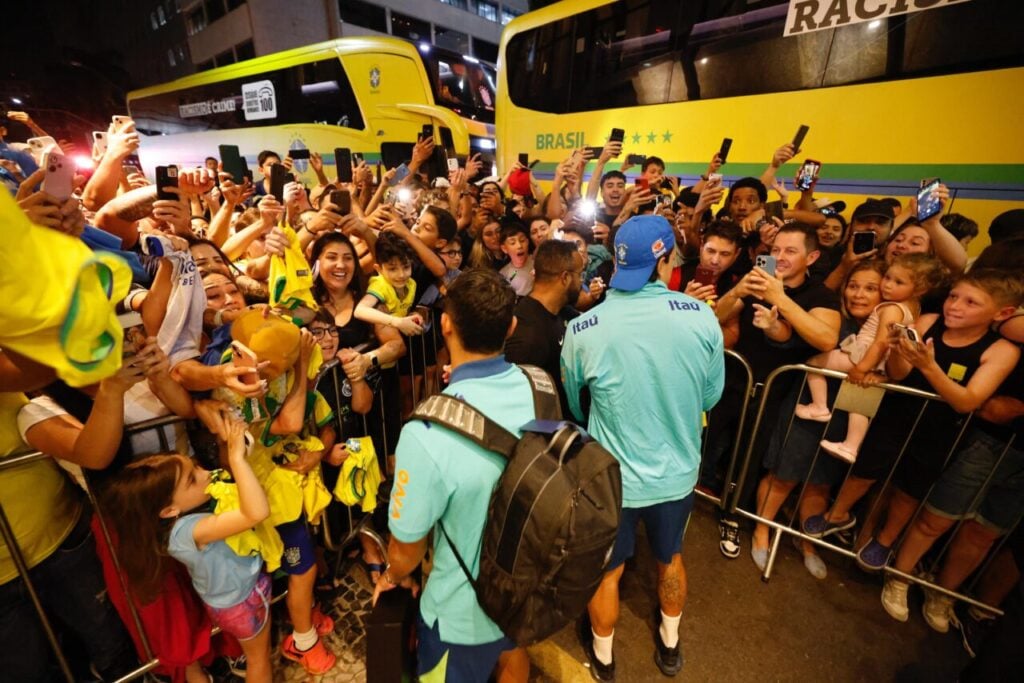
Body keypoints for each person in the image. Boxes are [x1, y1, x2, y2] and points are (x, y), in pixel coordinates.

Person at [561, 215, 725, 680]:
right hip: (676, 475)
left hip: (611, 479)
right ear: (667, 259)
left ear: (617, 261)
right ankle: (670, 645)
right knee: (669, 557)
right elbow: (711, 396)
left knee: (608, 571)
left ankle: (604, 656)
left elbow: (576, 401)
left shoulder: (584, 327)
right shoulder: (700, 317)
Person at [373, 269, 533, 683]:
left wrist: (392, 576)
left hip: (462, 615)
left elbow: (406, 550)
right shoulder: (541, 387)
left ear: (445, 325)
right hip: (526, 588)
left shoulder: (426, 433)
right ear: (511, 327)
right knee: (512, 655)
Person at [99, 409, 274, 683]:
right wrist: (238, 459)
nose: (205, 473)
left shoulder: (176, 527)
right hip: (242, 601)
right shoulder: (189, 531)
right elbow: (255, 512)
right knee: (259, 659)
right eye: (192, 478)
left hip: (231, 598)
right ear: (168, 510)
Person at [711, 223, 842, 559]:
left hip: (777, 392)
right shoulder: (757, 280)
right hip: (732, 378)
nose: (780, 258)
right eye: (776, 250)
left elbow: (827, 338)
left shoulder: (820, 296)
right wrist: (739, 290)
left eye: (790, 251)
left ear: (811, 256)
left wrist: (780, 299)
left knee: (752, 458)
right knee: (711, 442)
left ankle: (732, 518)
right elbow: (714, 318)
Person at [754, 260, 888, 579]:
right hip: (807, 404)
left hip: (849, 413)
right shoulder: (828, 313)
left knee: (820, 480)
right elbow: (789, 336)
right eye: (854, 286)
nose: (859, 294)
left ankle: (807, 540)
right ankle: (762, 532)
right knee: (784, 473)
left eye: (870, 288)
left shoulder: (885, 331)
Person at [796, 254, 948, 462]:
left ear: (920, 289)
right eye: (887, 278)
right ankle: (850, 446)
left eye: (898, 282)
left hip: (862, 354)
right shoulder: (913, 309)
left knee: (813, 362)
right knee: (858, 403)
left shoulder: (893, 308)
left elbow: (880, 342)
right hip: (876, 361)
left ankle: (819, 406)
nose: (887, 285)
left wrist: (861, 367)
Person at [505, 239, 584, 418]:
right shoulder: (527, 335)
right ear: (565, 278)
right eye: (580, 274)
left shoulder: (563, 312)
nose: (581, 282)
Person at [498, 220, 534, 295]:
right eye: (512, 243)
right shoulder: (503, 274)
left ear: (527, 242)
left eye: (522, 240)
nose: (519, 246)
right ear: (504, 248)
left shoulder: (538, 262)